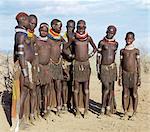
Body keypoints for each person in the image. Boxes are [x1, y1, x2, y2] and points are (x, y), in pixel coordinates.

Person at [65, 20, 97, 118]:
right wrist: (70, 55)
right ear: (77, 28)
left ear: (85, 27)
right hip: (77, 64)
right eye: (79, 27)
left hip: (86, 64)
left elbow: (95, 48)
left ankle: (86, 110)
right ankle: (77, 111)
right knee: (76, 89)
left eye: (83, 28)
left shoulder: (88, 38)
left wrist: (89, 55)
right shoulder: (74, 38)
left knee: (86, 89)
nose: (81, 29)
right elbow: (64, 48)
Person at [12, 12, 35, 130]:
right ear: (22, 19)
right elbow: (20, 55)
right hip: (23, 68)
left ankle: (20, 122)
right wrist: (25, 75)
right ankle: (17, 124)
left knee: (24, 94)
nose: (29, 22)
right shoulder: (20, 35)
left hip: (26, 66)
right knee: (21, 95)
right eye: (27, 20)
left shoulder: (22, 34)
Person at [118, 32, 141, 120]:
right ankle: (125, 113)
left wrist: (139, 77)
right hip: (125, 74)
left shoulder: (136, 51)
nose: (129, 40)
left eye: (130, 38)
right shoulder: (122, 51)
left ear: (133, 39)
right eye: (127, 38)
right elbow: (120, 64)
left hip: (134, 74)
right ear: (125, 39)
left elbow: (138, 65)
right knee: (125, 94)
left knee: (134, 94)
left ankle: (134, 113)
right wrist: (120, 77)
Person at [96, 25, 118, 117]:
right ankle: (102, 109)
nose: (110, 34)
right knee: (106, 88)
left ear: (114, 33)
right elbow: (98, 57)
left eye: (112, 32)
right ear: (106, 31)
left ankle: (108, 109)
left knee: (111, 89)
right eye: (109, 32)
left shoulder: (116, 44)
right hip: (104, 68)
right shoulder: (101, 43)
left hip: (112, 68)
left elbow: (114, 55)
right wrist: (98, 70)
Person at [48, 19, 64, 116]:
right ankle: (48, 107)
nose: (60, 28)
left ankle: (58, 107)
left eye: (61, 26)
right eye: (59, 26)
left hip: (58, 64)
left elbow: (66, 44)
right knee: (49, 87)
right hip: (49, 64)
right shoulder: (48, 38)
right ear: (53, 26)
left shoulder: (60, 38)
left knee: (58, 87)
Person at [36, 23, 51, 119]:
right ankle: (37, 109)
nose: (43, 32)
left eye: (45, 31)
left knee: (46, 90)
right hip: (39, 68)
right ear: (39, 31)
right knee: (37, 90)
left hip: (47, 68)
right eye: (42, 30)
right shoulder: (37, 41)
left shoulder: (50, 42)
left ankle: (45, 109)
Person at [62, 20, 75, 112]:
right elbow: (63, 49)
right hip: (65, 63)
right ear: (66, 27)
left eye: (72, 27)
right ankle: (64, 104)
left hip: (74, 64)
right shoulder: (63, 37)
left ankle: (70, 103)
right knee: (64, 84)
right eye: (69, 27)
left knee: (72, 85)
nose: (70, 29)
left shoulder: (76, 37)